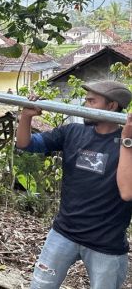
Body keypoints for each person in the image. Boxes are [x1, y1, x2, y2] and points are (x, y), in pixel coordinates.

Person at [16, 80, 132, 289]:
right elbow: (25, 144)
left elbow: (127, 192)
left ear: (112, 106)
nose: (85, 106)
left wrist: (127, 142)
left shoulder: (127, 144)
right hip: (64, 233)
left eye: (91, 101)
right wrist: (25, 117)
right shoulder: (72, 132)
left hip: (105, 244)